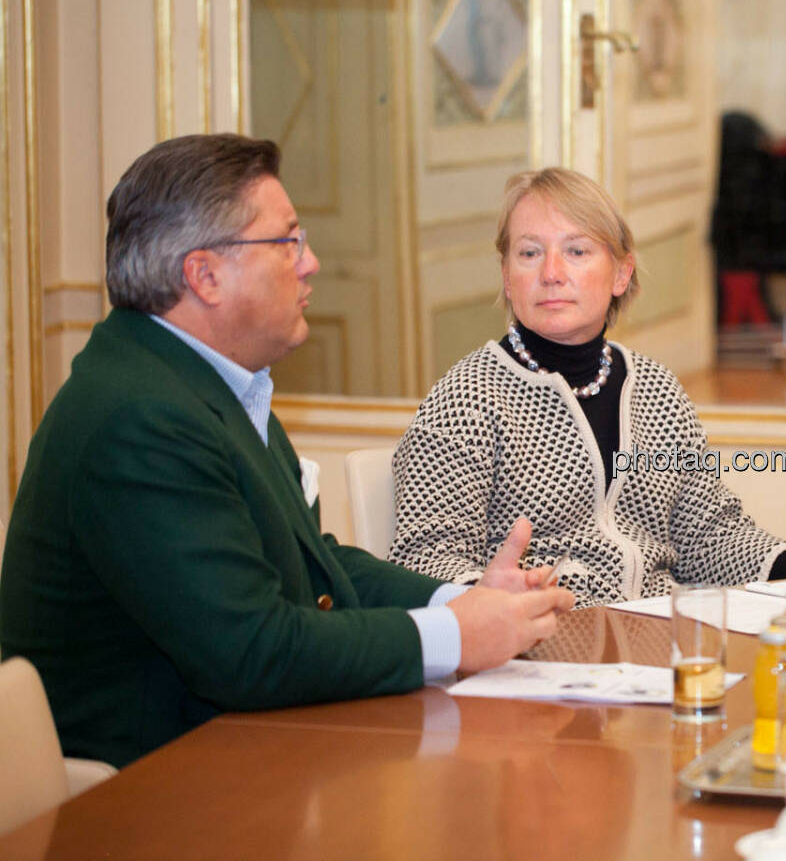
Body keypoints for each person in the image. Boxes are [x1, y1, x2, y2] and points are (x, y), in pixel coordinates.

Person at [0, 134, 573, 768]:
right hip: (146, 794)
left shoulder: (204, 379)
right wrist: (455, 637)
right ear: (205, 275)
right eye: (288, 242)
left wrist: (458, 601)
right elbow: (250, 651)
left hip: (241, 753)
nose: (311, 263)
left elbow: (312, 566)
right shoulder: (141, 417)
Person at [390, 167, 786, 607]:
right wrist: (496, 597)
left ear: (620, 274)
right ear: (506, 275)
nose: (552, 273)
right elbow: (422, 558)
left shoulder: (657, 391)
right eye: (529, 253)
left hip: (658, 635)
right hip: (537, 646)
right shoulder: (466, 399)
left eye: (576, 251)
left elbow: (706, 535)